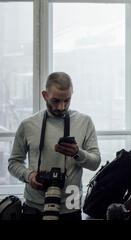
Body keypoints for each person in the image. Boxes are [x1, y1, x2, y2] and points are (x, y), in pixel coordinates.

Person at [8, 72, 101, 220]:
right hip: (34, 206)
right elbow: (13, 163)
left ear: (72, 94)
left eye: (67, 100)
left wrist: (77, 153)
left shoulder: (85, 122)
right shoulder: (28, 125)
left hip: (71, 205)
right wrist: (29, 175)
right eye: (55, 101)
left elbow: (95, 162)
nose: (61, 107)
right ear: (45, 95)